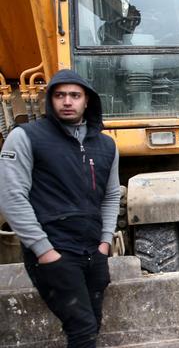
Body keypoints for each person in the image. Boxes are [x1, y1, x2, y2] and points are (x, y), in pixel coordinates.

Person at [0, 69, 120, 347]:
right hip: (55, 250)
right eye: (60, 95)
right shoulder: (26, 137)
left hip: (93, 251)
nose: (67, 101)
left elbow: (111, 195)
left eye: (75, 96)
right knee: (82, 326)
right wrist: (44, 251)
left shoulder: (105, 145)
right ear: (50, 100)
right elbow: (11, 195)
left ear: (87, 101)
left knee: (91, 325)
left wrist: (105, 243)